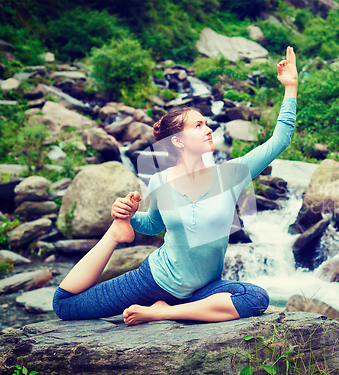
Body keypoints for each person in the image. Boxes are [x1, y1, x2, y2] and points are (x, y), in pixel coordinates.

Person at [52, 46, 298, 326]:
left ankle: (162, 311)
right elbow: (155, 225)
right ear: (178, 141)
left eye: (206, 124)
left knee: (255, 297)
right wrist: (129, 217)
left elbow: (280, 139)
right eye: (197, 126)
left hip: (201, 290)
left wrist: (290, 88)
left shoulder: (232, 173)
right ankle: (114, 234)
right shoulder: (160, 180)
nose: (207, 129)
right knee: (64, 306)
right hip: (154, 279)